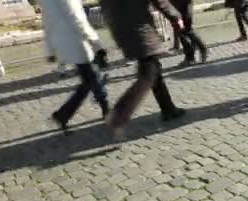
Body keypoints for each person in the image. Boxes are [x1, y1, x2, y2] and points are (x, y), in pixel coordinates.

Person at [100, 0, 187, 137]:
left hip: (121, 30)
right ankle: (118, 115)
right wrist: (175, 16)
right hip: (140, 28)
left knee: (153, 68)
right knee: (149, 73)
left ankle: (168, 109)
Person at [41, 0, 109, 133]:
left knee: (89, 80)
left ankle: (104, 110)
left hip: (64, 43)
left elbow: (46, 23)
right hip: (77, 42)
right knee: (91, 78)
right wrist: (96, 43)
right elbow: (76, 18)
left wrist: (50, 49)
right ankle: (63, 115)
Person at [170, 0, 208, 66]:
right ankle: (194, 54)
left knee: (185, 29)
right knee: (182, 29)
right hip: (177, 5)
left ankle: (195, 54)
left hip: (181, 5)